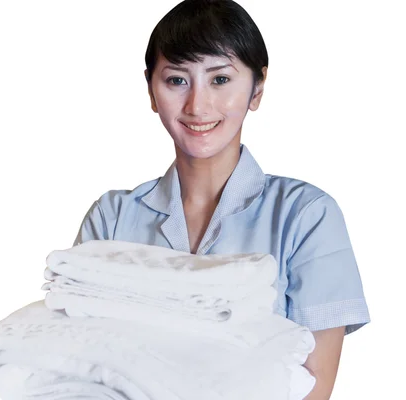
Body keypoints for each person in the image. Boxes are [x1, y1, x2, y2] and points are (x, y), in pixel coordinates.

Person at [73, 0, 370, 398]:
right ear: (151, 90)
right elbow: (72, 359)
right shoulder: (111, 218)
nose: (197, 106)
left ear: (257, 88)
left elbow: (313, 387)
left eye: (220, 80)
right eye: (177, 79)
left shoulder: (306, 216)